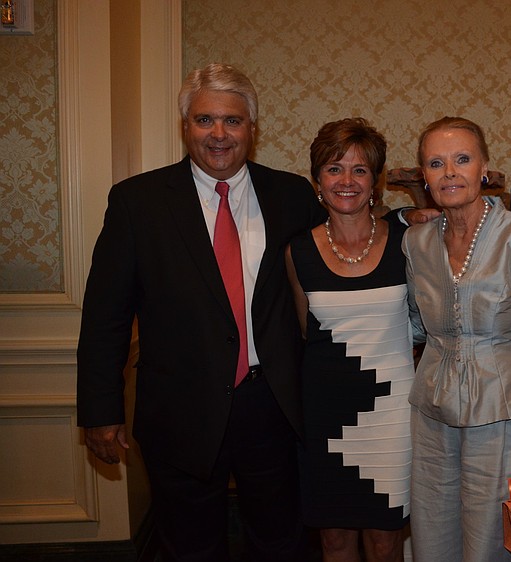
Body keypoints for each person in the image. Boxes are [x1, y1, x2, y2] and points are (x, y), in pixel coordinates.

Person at [76, 63, 326, 561]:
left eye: (232, 121)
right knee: (189, 546)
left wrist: (411, 220)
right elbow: (106, 314)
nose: (218, 134)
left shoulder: (292, 195)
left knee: (282, 543)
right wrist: (100, 410)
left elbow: (347, 244)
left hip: (272, 406)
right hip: (179, 408)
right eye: (204, 119)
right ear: (185, 126)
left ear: (252, 129)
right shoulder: (137, 202)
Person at [403, 116, 511, 562]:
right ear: (424, 176)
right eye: (436, 163)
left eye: (462, 159)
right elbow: (416, 326)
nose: (450, 172)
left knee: (497, 546)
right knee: (432, 541)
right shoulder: (415, 243)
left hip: (506, 423)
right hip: (432, 418)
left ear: (485, 169)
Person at [285, 118, 413, 562]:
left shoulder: (407, 241)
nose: (346, 181)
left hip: (392, 417)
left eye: (360, 170)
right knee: (334, 539)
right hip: (326, 417)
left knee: (385, 538)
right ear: (317, 180)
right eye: (334, 168)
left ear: (374, 181)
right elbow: (306, 333)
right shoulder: (297, 250)